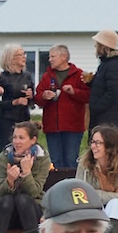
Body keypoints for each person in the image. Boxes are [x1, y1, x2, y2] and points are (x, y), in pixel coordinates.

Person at [0, 121, 50, 233]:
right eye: (15, 137)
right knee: (8, 200)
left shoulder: (42, 158)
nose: (16, 142)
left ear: (33, 140)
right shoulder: (5, 155)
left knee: (22, 198)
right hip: (5, 212)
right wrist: (9, 181)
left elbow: (35, 192)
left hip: (31, 209)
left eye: (21, 138)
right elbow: (0, 190)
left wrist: (27, 173)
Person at [34, 44, 89, 172]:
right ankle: (57, 190)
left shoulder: (79, 75)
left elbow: (88, 96)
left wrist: (74, 92)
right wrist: (44, 96)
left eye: (53, 56)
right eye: (49, 57)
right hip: (52, 126)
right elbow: (37, 98)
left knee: (71, 161)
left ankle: (72, 189)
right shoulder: (47, 76)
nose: (50, 59)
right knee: (55, 162)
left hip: (73, 126)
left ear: (63, 57)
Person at [79, 124, 118, 215]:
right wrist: (115, 194)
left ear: (109, 147)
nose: (93, 146)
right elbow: (81, 194)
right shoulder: (84, 163)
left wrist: (95, 193)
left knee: (115, 204)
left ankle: (113, 229)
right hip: (93, 208)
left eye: (98, 143)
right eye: (92, 142)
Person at [84, 29, 118, 134]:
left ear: (103, 46)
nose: (95, 47)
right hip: (103, 117)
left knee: (105, 148)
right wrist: (90, 82)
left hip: (108, 119)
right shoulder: (106, 63)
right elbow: (104, 86)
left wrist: (96, 107)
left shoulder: (114, 65)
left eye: (97, 44)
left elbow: (114, 91)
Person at [0, 43, 35, 148]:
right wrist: (13, 102)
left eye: (24, 54)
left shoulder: (27, 76)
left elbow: (32, 102)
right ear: (11, 58)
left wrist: (31, 96)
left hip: (24, 119)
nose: (24, 57)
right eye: (20, 55)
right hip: (7, 121)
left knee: (25, 151)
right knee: (8, 152)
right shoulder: (2, 77)